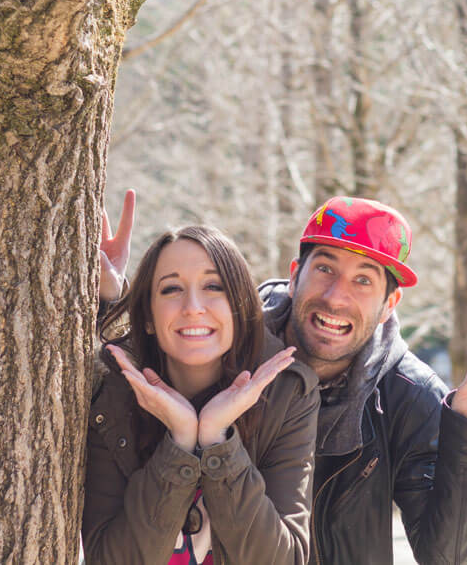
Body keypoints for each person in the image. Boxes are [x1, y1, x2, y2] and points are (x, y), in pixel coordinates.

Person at [103, 191, 467, 564]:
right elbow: (155, 349)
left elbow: (446, 556)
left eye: (364, 281)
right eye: (326, 269)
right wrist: (109, 301)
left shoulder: (409, 397)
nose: (336, 298)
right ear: (296, 277)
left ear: (390, 304)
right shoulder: (229, 347)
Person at [84, 219, 320, 563]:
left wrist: (216, 441)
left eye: (213, 286)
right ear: (148, 317)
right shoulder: (115, 393)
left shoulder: (286, 394)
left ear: (239, 307)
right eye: (171, 289)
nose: (193, 306)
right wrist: (180, 440)